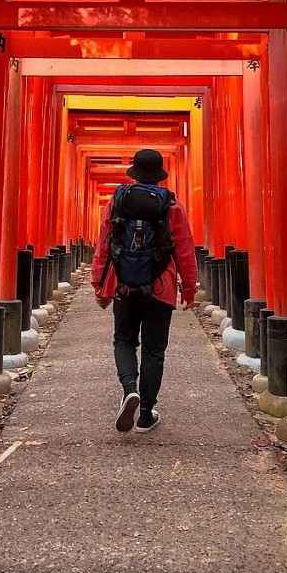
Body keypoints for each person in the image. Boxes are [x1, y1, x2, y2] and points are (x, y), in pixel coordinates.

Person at [91, 149, 198, 434]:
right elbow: (185, 250)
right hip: (160, 287)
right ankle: (147, 412)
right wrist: (189, 289)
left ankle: (129, 390)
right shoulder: (172, 205)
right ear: (159, 177)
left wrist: (99, 286)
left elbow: (104, 245)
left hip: (124, 285)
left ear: (134, 175)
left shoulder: (116, 202)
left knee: (124, 341)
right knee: (154, 350)